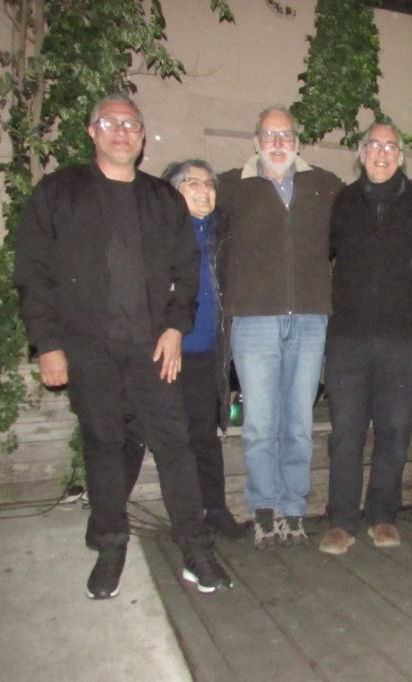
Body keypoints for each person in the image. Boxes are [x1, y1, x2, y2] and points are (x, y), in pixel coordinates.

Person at [14, 93, 231, 599]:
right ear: (92, 132)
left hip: (152, 348)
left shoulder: (162, 200)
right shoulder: (58, 192)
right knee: (105, 446)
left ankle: (195, 550)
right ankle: (111, 546)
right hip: (89, 348)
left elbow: (186, 274)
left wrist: (176, 328)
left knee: (174, 445)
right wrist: (47, 344)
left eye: (130, 123)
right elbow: (33, 272)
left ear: (142, 136)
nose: (121, 131)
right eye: (110, 122)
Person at [216, 106, 343, 548]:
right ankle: (263, 509)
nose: (277, 143)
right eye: (268, 135)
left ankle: (294, 509)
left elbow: (366, 207)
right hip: (254, 321)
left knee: (298, 424)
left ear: (297, 142)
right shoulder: (230, 186)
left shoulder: (325, 186)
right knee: (259, 423)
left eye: (285, 135)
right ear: (255, 141)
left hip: (310, 319)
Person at [318, 122, 412, 555]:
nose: (383, 153)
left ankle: (383, 515)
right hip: (348, 340)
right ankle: (342, 520)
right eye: (375, 145)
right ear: (362, 152)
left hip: (404, 342)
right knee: (346, 433)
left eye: (391, 147)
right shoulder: (342, 203)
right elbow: (319, 260)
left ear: (401, 156)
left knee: (393, 432)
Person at [158, 159, 243, 539]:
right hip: (168, 352)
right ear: (173, 191)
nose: (202, 190)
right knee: (175, 440)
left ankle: (216, 509)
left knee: (205, 437)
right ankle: (187, 519)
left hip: (210, 351)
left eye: (209, 183)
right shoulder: (160, 234)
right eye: (191, 183)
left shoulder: (223, 231)